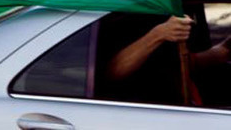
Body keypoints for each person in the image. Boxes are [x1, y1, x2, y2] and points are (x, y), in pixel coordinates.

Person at [95, 13, 231, 106]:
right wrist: (159, 34)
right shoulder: (126, 17)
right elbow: (112, 72)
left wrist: (225, 49)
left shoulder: (169, 60)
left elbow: (181, 63)